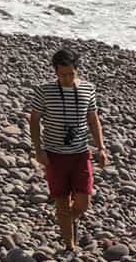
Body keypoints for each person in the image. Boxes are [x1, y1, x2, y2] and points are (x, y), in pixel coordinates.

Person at [28, 48, 108, 251]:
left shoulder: (88, 89)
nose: (67, 78)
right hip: (54, 156)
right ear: (55, 72)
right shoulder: (44, 90)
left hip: (81, 154)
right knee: (61, 202)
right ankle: (69, 245)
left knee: (83, 203)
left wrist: (101, 147)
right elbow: (34, 121)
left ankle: (67, 219)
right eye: (62, 75)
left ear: (77, 70)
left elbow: (93, 118)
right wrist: (39, 150)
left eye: (71, 74)